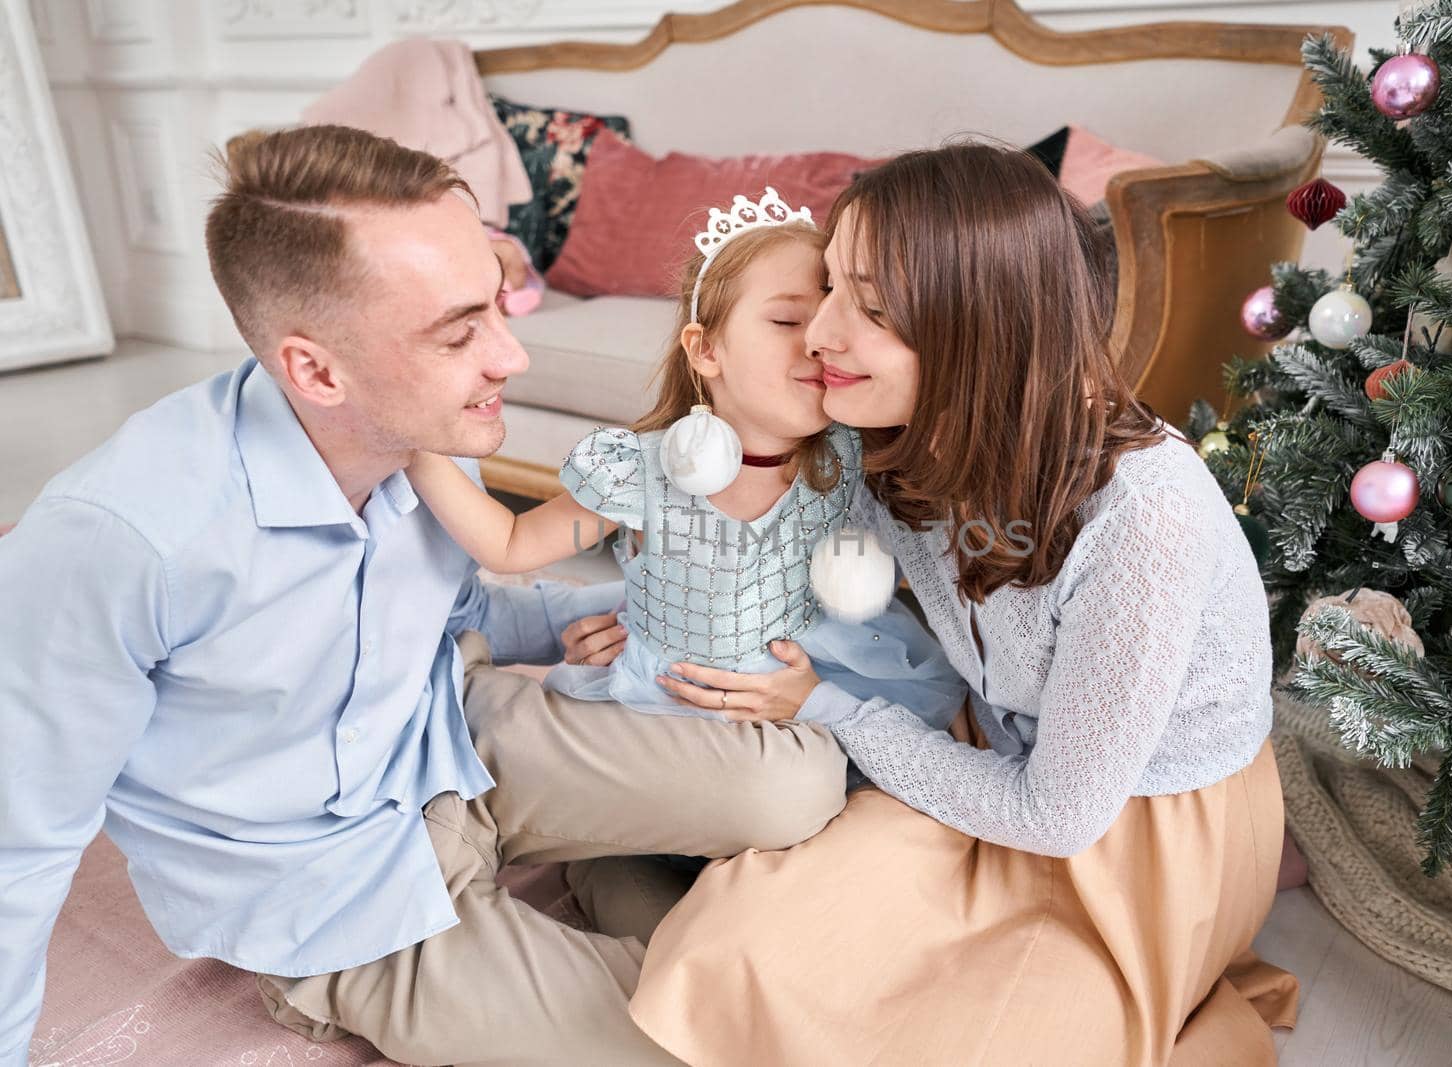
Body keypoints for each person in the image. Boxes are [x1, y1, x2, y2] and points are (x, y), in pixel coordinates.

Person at [0, 125, 847, 1067]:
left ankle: (593, 855)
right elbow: (17, 840)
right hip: (325, 890)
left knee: (799, 781)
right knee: (703, 1037)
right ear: (316, 369)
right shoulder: (120, 539)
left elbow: (463, 616)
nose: (510, 358)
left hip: (457, 735)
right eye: (460, 332)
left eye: (497, 305)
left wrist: (607, 617)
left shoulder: (430, 436)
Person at [623, 143, 1299, 1066]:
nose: (820, 335)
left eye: (869, 308)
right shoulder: (898, 431)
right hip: (987, 756)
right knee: (740, 944)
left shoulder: (1146, 515)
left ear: (971, 326)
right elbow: (764, 530)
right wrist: (648, 605)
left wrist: (832, 708)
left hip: (1133, 836)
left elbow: (1059, 815)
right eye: (828, 289)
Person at [405, 189, 964, 726]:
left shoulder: (851, 449)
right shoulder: (641, 472)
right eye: (788, 321)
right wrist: (412, 440)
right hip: (674, 696)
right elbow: (510, 545)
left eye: (827, 321)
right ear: (706, 349)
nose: (818, 342)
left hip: (814, 678)